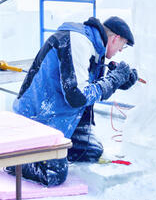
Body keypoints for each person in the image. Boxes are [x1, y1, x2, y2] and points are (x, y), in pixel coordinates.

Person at [6, 16, 138, 186]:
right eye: (123, 46)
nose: (121, 51)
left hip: (61, 118)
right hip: (37, 120)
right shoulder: (78, 42)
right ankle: (13, 160)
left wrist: (119, 81)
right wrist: (112, 81)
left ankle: (53, 150)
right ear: (116, 38)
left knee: (91, 152)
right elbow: (77, 96)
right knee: (54, 174)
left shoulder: (94, 48)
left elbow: (87, 85)